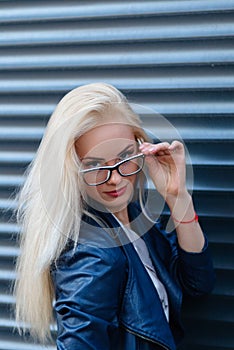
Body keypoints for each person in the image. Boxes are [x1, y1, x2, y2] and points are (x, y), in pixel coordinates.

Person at [14, 83, 215, 350]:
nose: (116, 179)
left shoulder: (130, 219)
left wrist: (177, 197)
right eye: (94, 165)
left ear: (141, 146)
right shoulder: (92, 255)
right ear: (70, 168)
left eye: (125, 157)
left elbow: (197, 283)